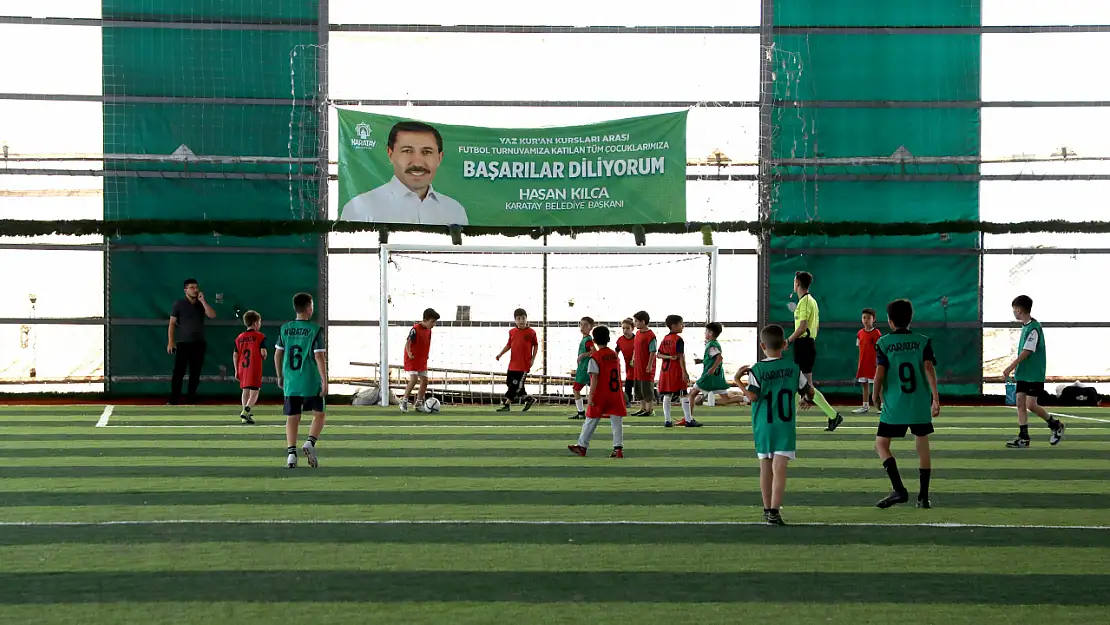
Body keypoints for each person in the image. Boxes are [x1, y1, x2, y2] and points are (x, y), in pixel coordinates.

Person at [736, 324, 814, 526]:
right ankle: (774, 512)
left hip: (764, 425)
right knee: (780, 469)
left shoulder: (757, 369)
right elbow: (809, 390)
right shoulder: (793, 368)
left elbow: (753, 397)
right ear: (784, 345)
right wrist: (806, 398)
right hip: (785, 426)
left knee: (765, 468)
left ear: (763, 345)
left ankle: (765, 509)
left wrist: (738, 381)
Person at [872, 299, 940, 509]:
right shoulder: (923, 341)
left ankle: (899, 489)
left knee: (881, 444)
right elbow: (929, 369)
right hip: (919, 404)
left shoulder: (883, 343)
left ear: (890, 321)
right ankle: (924, 497)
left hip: (895, 405)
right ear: (911, 319)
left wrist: (875, 396)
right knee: (923, 446)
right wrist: (936, 398)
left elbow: (880, 373)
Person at [340, 121, 469, 226]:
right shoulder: (360, 208)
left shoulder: (454, 211)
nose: (417, 162)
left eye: (427, 152)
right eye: (407, 151)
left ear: (440, 158)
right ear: (390, 154)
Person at [1002, 295, 1065, 448]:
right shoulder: (1025, 326)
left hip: (1034, 374)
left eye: (1014, 310)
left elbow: (1027, 351)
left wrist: (1010, 367)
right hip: (1023, 373)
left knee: (1031, 404)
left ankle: (1055, 425)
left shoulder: (1034, 328)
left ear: (1018, 309)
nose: (1013, 312)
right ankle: (1024, 437)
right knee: (1019, 403)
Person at [785, 271, 844, 431]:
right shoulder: (811, 301)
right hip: (806, 344)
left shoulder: (805, 302)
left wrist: (788, 341)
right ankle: (832, 416)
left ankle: (831, 415)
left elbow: (803, 327)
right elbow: (814, 326)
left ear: (797, 282)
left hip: (803, 344)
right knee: (800, 383)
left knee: (804, 385)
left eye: (794, 280)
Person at [275, 293, 327, 469]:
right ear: (309, 308)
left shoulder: (285, 328)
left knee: (292, 417)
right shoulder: (315, 329)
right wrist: (325, 380)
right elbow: (319, 356)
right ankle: (310, 443)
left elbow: (278, 354)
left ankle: (291, 455)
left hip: (291, 381)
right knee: (319, 414)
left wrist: (280, 375)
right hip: (310, 380)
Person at [568, 325, 628, 458]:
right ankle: (618, 449)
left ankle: (582, 446)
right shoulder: (614, 355)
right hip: (615, 393)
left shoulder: (595, 356)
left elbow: (594, 377)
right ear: (608, 339)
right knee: (616, 420)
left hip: (601, 393)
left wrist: (591, 395)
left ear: (594, 340)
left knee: (591, 418)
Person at [167, 278, 216, 405]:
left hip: (198, 343)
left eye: (196, 287)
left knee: (195, 372)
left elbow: (212, 315)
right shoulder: (178, 304)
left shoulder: (201, 304)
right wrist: (171, 341)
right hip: (183, 343)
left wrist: (203, 301)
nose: (195, 290)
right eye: (191, 288)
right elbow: (172, 323)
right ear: (185, 290)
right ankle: (174, 398)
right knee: (178, 372)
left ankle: (191, 397)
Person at [657, 314, 700, 428]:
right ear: (674, 326)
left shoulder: (665, 339)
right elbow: (681, 356)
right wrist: (684, 372)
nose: (683, 326)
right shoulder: (678, 339)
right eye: (681, 324)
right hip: (675, 370)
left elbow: (658, 354)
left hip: (665, 371)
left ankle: (667, 420)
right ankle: (689, 419)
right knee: (683, 394)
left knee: (667, 394)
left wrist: (669, 357)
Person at [495, 307, 538, 412]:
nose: (521, 320)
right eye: (519, 318)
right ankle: (528, 399)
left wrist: (532, 359)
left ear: (526, 319)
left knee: (515, 385)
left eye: (523, 318)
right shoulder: (512, 332)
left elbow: (536, 345)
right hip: (512, 365)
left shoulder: (531, 332)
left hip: (523, 366)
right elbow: (509, 345)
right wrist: (500, 354)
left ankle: (507, 404)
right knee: (512, 384)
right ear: (515, 320)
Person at [401, 308, 441, 413]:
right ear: (425, 320)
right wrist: (409, 353)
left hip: (421, 359)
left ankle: (418, 403)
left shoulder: (429, 330)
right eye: (432, 322)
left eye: (435, 322)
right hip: (412, 358)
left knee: (424, 381)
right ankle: (404, 401)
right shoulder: (415, 329)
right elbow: (408, 343)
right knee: (414, 379)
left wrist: (426, 355)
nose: (434, 324)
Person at [233, 310, 267, 425]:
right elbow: (263, 352)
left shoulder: (239, 337)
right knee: (254, 393)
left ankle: (245, 416)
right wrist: (264, 355)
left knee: (245, 391)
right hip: (254, 367)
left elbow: (235, 354)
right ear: (256, 323)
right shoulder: (259, 336)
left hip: (242, 367)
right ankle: (246, 410)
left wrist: (236, 369)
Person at [690, 321, 729, 415]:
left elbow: (719, 358)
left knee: (691, 394)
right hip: (717, 375)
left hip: (709, 376)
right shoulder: (714, 344)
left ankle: (688, 418)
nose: (705, 333)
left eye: (706, 331)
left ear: (711, 333)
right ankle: (747, 398)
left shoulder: (711, 345)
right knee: (727, 399)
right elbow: (713, 359)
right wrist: (701, 361)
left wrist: (712, 369)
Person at [629, 310, 658, 417]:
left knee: (646, 388)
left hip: (646, 366)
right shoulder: (637, 334)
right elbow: (635, 348)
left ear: (643, 322)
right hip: (638, 366)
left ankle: (649, 409)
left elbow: (653, 351)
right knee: (638, 388)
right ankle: (642, 408)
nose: (635, 323)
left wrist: (649, 365)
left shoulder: (650, 335)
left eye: (636, 321)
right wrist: (633, 358)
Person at [854, 308, 882, 414]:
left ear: (874, 319)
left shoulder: (877, 333)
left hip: (874, 365)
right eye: (864, 318)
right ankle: (865, 406)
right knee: (864, 385)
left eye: (869, 318)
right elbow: (859, 346)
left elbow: (880, 348)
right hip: (863, 365)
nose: (866, 320)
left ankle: (882, 406)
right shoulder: (860, 333)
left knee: (878, 386)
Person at [569, 317, 597, 420]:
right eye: (581, 324)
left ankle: (581, 412)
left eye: (585, 325)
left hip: (585, 369)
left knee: (576, 389)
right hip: (584, 368)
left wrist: (583, 355)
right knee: (594, 390)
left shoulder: (588, 339)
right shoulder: (585, 339)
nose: (582, 327)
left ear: (591, 327)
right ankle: (593, 410)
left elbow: (594, 351)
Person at [614, 318, 636, 405]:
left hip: (638, 365)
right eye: (623, 328)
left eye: (627, 328)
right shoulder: (620, 340)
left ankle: (651, 398)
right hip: (628, 366)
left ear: (632, 328)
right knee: (628, 383)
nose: (625, 330)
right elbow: (616, 351)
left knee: (640, 384)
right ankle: (627, 402)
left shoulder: (637, 339)